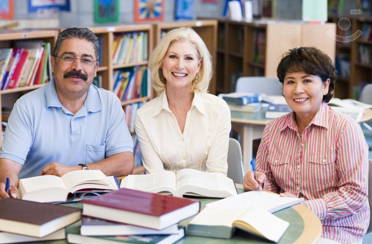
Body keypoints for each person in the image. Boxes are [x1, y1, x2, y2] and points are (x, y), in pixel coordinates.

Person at [243, 47, 369, 244]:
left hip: (336, 234)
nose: (298, 89)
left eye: (307, 80)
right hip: (286, 226)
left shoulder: (345, 129)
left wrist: (304, 207)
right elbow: (266, 181)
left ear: (325, 86)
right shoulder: (273, 129)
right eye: (290, 81)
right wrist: (258, 183)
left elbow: (355, 195)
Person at [0, 27, 134, 198]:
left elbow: (125, 162)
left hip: (94, 202)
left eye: (86, 60)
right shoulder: (26, 106)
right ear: (53, 63)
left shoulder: (109, 103)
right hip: (40, 202)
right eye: (68, 58)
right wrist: (8, 183)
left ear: (95, 69)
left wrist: (75, 172)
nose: (77, 67)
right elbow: (9, 163)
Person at [135, 27, 231, 174]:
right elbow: (156, 178)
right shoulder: (144, 116)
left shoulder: (218, 109)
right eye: (173, 56)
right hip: (166, 195)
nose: (180, 65)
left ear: (198, 66)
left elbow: (217, 174)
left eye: (189, 58)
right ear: (161, 62)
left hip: (210, 194)